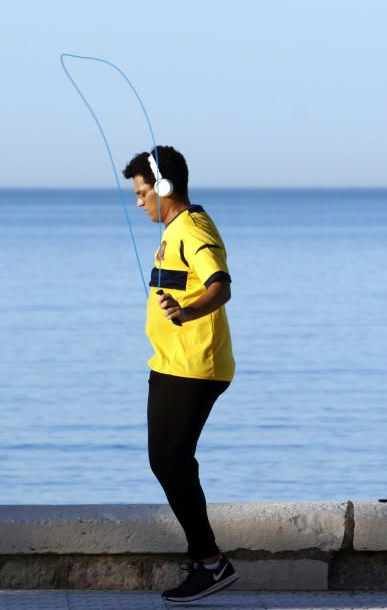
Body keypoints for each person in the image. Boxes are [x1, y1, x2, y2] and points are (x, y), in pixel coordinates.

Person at [121, 146, 238, 603]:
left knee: (169, 460)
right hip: (171, 363)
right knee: (169, 460)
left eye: (143, 192)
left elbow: (220, 287)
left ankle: (210, 563)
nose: (139, 202)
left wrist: (186, 313)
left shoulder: (193, 227)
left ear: (165, 188)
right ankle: (205, 558)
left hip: (194, 365)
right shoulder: (174, 230)